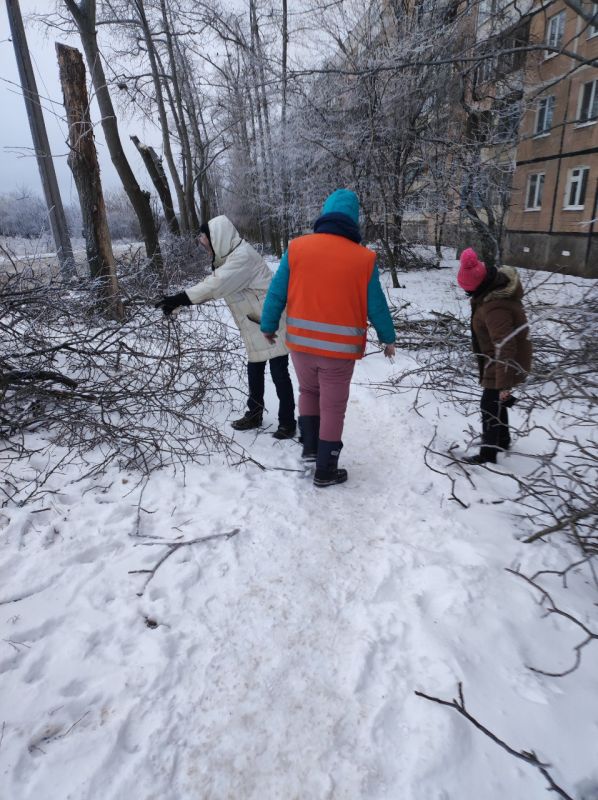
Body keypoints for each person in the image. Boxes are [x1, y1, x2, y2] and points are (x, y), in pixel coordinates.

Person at [260, 189, 396, 487]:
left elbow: (276, 291)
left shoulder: (296, 248)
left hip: (301, 346)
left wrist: (268, 325)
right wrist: (388, 337)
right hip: (338, 351)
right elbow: (376, 304)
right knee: (333, 406)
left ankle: (310, 448)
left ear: (324, 213)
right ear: (353, 219)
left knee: (308, 392)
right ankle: (326, 469)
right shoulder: (364, 259)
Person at [156, 215, 296, 438]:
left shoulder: (242, 258)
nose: (206, 249)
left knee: (279, 372)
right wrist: (181, 303)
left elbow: (216, 284)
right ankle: (254, 414)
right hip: (255, 321)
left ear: (217, 238)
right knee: (255, 369)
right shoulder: (233, 257)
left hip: (271, 322)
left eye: (206, 243)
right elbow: (217, 287)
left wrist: (181, 297)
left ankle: (288, 423)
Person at [457, 247, 532, 465]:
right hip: (497, 358)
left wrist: (504, 383)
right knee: (496, 402)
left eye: (468, 291)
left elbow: (505, 345)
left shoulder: (494, 306)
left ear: (477, 286)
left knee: (489, 404)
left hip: (502, 361)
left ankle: (488, 454)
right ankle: (502, 440)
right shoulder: (490, 292)